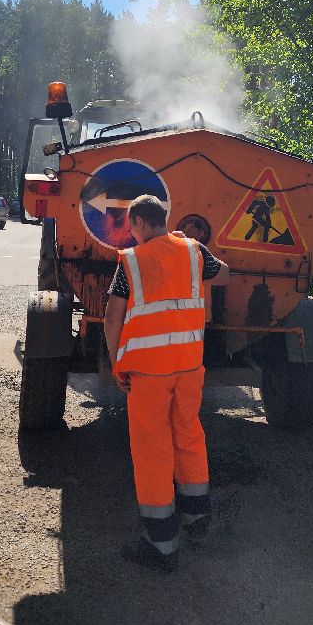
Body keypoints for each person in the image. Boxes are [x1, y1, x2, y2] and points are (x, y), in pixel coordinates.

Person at [105, 194, 229, 573]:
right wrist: (189, 245)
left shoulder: (131, 261)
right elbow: (225, 273)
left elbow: (112, 318)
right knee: (188, 435)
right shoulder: (194, 252)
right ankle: (198, 518)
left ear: (141, 223)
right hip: (189, 367)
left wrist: (117, 364)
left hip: (149, 374)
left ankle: (161, 545)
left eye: (132, 227)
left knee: (153, 449)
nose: (131, 234)